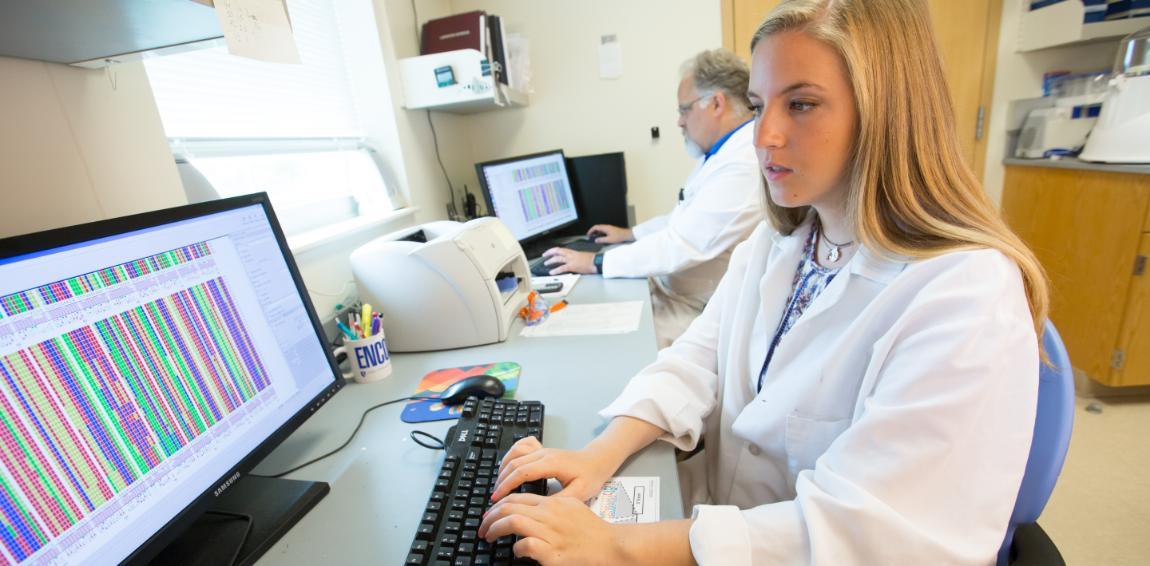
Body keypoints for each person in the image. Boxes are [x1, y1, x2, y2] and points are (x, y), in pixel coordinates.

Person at [476, 0, 1051, 563]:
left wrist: (618, 546)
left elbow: (866, 532)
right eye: (759, 104)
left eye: (801, 104)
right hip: (724, 521)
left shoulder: (965, 295)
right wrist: (599, 454)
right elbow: (700, 357)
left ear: (887, 112)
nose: (763, 135)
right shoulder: (785, 243)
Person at [541, 49, 763, 348]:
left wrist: (595, 261)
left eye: (684, 109)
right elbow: (681, 220)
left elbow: (684, 243)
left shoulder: (744, 163)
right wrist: (630, 233)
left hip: (699, 311)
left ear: (716, 103)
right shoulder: (720, 153)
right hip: (678, 293)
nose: (680, 122)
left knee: (603, 343)